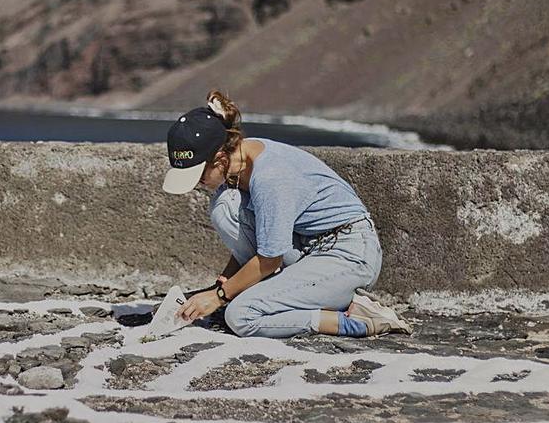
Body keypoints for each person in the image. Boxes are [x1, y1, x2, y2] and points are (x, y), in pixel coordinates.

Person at [160, 91, 413, 338]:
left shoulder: (271, 178)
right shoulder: (242, 161)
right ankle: (288, 293)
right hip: (307, 247)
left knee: (241, 315)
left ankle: (355, 318)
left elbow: (269, 259)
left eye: (199, 176)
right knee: (225, 204)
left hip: (348, 255)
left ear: (220, 158)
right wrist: (224, 283)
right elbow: (262, 239)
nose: (198, 184)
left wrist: (220, 297)